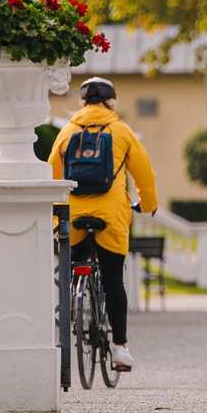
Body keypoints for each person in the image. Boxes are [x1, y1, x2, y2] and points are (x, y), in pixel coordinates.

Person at [49, 78, 159, 372]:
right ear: (112, 103)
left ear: (82, 103)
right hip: (111, 216)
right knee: (112, 281)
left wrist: (54, 216)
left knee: (72, 270)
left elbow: (51, 176)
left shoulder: (68, 131)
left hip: (72, 216)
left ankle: (74, 306)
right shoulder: (121, 131)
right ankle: (120, 348)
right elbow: (144, 176)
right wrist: (147, 205)